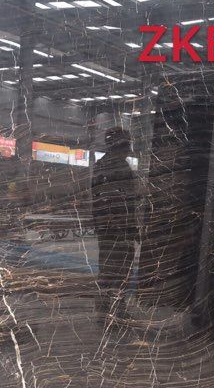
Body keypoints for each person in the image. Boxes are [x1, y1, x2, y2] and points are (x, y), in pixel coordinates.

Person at [91, 127, 139, 321]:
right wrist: (127, 227)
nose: (129, 148)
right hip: (116, 229)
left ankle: (108, 308)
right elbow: (116, 201)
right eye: (126, 144)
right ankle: (112, 309)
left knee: (111, 268)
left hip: (111, 228)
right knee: (118, 269)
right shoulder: (115, 167)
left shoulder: (105, 165)